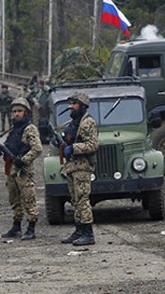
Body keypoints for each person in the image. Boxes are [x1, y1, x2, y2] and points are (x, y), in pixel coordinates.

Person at [0, 97, 43, 240]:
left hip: (24, 172)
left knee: (29, 200)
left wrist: (23, 160)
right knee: (14, 200)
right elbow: (10, 146)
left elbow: (37, 149)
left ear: (26, 113)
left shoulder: (30, 128)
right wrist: (0, 150)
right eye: (14, 111)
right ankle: (16, 227)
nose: (16, 114)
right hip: (11, 170)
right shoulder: (14, 128)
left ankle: (31, 228)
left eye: (19, 111)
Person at [59, 91, 99, 246]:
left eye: (74, 104)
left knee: (82, 200)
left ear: (82, 106)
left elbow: (92, 145)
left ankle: (88, 234)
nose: (71, 107)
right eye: (70, 104)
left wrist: (73, 148)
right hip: (72, 166)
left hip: (82, 166)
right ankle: (79, 230)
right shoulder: (74, 123)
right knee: (75, 200)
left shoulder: (87, 122)